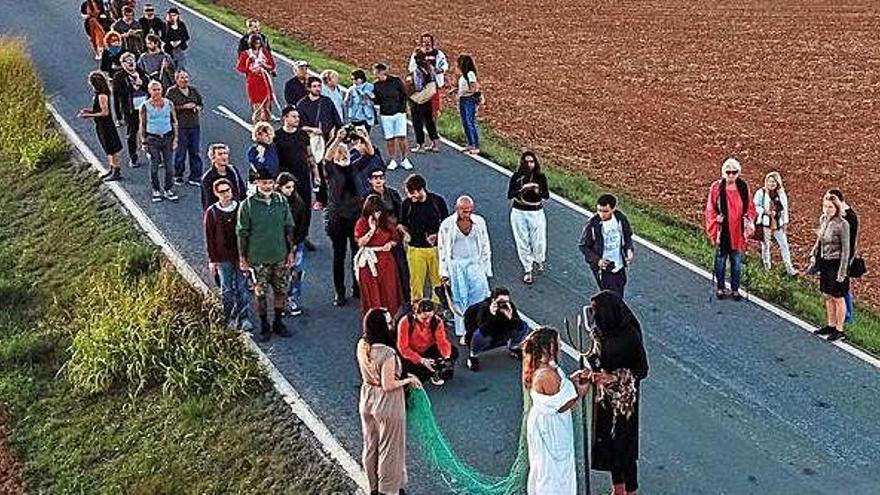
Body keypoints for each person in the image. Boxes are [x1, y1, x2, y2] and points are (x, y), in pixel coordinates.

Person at [586, 290, 650, 495]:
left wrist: (615, 377)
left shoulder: (629, 335)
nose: (595, 318)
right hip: (604, 398)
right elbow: (597, 358)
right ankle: (618, 488)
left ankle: (630, 490)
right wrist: (592, 370)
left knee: (624, 445)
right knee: (607, 442)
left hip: (624, 402)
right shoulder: (601, 331)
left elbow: (642, 370)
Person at [356, 308, 418, 495]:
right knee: (390, 450)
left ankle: (374, 487)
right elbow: (388, 384)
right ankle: (389, 490)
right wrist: (409, 380)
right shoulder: (387, 353)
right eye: (389, 323)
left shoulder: (362, 345)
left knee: (371, 445)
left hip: (367, 398)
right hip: (387, 403)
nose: (392, 325)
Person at [523, 327, 589, 495]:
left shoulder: (542, 366)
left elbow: (561, 387)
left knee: (545, 466)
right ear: (547, 348)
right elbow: (562, 405)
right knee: (554, 470)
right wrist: (581, 392)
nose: (560, 346)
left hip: (544, 423)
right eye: (556, 343)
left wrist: (571, 381)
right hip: (551, 428)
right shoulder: (547, 375)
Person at [237, 166, 295, 341]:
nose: (267, 186)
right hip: (258, 258)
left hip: (280, 255)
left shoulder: (281, 201)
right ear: (256, 183)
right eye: (264, 183)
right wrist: (243, 258)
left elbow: (288, 227)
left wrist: (290, 252)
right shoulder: (247, 205)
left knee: (281, 290)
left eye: (270, 183)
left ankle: (278, 321)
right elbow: (242, 233)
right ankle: (264, 325)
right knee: (260, 293)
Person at [322, 129, 371, 306]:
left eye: (345, 152)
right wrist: (338, 139)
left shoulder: (354, 167)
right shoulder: (331, 170)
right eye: (339, 152)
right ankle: (339, 291)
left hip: (356, 217)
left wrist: (365, 138)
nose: (343, 155)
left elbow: (369, 154)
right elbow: (326, 158)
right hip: (338, 218)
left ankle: (357, 288)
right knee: (339, 255)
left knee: (357, 255)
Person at [437, 195, 492, 342]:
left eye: (469, 211)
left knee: (480, 298)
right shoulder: (447, 225)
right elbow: (442, 249)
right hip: (456, 267)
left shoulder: (479, 222)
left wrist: (486, 268)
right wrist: (444, 272)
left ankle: (478, 328)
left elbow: (485, 244)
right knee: (460, 300)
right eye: (463, 211)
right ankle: (464, 331)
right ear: (457, 209)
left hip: (475, 264)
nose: (466, 214)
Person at [204, 178, 253, 332]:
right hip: (223, 257)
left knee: (242, 287)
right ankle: (229, 317)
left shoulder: (241, 208)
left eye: (228, 190)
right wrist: (212, 260)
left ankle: (244, 317)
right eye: (222, 191)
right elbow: (210, 238)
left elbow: (249, 232)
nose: (226, 194)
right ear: (216, 193)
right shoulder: (212, 213)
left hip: (240, 255)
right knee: (226, 289)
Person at [704, 158, 756, 301]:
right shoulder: (716, 188)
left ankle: (735, 289)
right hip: (723, 230)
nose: (731, 175)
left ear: (738, 173)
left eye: (734, 172)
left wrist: (748, 220)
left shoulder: (743, 187)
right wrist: (715, 220)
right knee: (720, 262)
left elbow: (750, 207)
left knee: (737, 263)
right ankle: (720, 288)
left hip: (738, 231)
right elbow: (710, 209)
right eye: (728, 172)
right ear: (723, 173)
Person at [808, 193, 851, 342]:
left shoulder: (843, 224)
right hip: (825, 262)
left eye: (830, 207)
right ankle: (830, 325)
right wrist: (813, 253)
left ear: (837, 207)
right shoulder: (824, 220)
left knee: (838, 296)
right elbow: (819, 240)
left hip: (836, 263)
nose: (827, 209)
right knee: (828, 295)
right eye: (825, 206)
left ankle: (840, 330)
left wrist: (842, 272)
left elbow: (846, 250)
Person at [275, 106, 319, 249]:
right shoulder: (277, 136)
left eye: (298, 117)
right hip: (286, 180)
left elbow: (310, 156)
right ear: (285, 118)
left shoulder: (303, 135)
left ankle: (302, 237)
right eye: (294, 117)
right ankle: (287, 239)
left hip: (303, 177)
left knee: (305, 208)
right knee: (287, 209)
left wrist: (316, 174)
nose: (297, 119)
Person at [400, 174, 448, 302]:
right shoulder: (407, 204)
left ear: (420, 190)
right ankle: (416, 310)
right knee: (416, 284)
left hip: (436, 249)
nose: (410, 196)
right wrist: (406, 233)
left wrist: (437, 235)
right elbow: (401, 224)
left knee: (438, 283)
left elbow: (447, 225)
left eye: (412, 193)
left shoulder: (437, 202)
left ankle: (437, 310)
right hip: (415, 249)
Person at [367, 169, 410, 307]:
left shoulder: (393, 194)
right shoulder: (367, 198)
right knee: (380, 271)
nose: (378, 180)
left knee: (402, 266)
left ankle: (407, 297)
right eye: (375, 178)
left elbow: (401, 213)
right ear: (370, 180)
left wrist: (401, 230)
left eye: (381, 177)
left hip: (394, 234)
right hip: (377, 237)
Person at [579, 194, 635, 299]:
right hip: (604, 268)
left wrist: (629, 250)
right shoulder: (592, 224)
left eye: (605, 211)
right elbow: (583, 246)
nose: (601, 214)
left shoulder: (620, 218)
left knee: (619, 294)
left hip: (619, 265)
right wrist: (598, 261)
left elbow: (627, 236)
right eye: (599, 210)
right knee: (611, 297)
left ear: (613, 209)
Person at [354, 195, 402, 317]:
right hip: (369, 264)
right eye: (374, 211)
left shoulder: (386, 222)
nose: (376, 214)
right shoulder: (362, 223)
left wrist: (390, 244)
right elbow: (360, 243)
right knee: (372, 294)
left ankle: (391, 320)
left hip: (386, 261)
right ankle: (374, 322)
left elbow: (395, 238)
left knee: (389, 291)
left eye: (379, 211)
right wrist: (371, 230)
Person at [463, 287, 530, 371]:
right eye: (501, 301)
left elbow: (519, 325)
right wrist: (492, 315)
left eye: (506, 301)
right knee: (479, 334)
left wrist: (510, 317)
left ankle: (513, 347)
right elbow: (483, 330)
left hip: (501, 334)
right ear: (493, 300)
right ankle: (473, 356)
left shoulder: (509, 306)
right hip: (485, 336)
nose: (503, 304)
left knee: (524, 325)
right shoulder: (483, 308)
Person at [508, 151, 549, 284]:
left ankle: (539, 259)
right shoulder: (517, 176)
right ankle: (527, 268)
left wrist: (537, 190)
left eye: (531, 162)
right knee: (522, 240)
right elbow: (510, 194)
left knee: (538, 240)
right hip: (519, 211)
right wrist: (522, 189)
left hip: (536, 211)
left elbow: (546, 195)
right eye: (526, 162)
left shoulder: (540, 177)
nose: (529, 165)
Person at [397, 299, 458, 386]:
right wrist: (421, 360)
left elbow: (442, 342)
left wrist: (446, 359)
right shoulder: (405, 322)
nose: (428, 321)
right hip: (410, 353)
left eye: (430, 317)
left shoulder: (437, 321)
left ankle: (434, 372)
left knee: (453, 352)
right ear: (415, 314)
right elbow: (403, 348)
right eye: (424, 318)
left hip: (428, 349)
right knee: (420, 375)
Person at [79, 71, 123, 182]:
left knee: (110, 147)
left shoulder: (102, 95)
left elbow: (104, 112)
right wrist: (88, 110)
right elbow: (99, 110)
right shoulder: (101, 94)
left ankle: (116, 169)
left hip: (105, 124)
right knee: (107, 147)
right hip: (101, 124)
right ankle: (112, 168)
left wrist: (89, 115)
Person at [276, 172, 310, 317]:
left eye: (292, 187)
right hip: (279, 244)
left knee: (296, 272)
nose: (290, 190)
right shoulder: (275, 203)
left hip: (296, 243)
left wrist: (296, 243)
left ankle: (292, 298)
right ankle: (281, 302)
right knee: (281, 274)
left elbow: (302, 225)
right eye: (287, 187)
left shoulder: (298, 202)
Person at [139, 80, 179, 202]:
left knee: (169, 167)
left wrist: (176, 138)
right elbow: (143, 124)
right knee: (154, 166)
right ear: (149, 91)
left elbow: (174, 121)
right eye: (154, 89)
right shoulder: (145, 106)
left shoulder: (169, 104)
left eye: (158, 89)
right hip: (152, 139)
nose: (157, 92)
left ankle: (168, 189)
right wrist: (143, 141)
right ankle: (156, 189)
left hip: (167, 137)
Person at [753, 171, 797, 275]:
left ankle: (789, 268)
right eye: (769, 181)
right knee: (766, 245)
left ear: (778, 183)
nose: (771, 184)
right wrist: (765, 212)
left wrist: (785, 222)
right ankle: (767, 268)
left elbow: (784, 209)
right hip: (765, 223)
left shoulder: (781, 194)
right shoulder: (761, 193)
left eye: (774, 182)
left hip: (778, 223)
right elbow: (755, 206)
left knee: (784, 245)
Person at [165, 70, 203, 186]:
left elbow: (201, 103)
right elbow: (168, 108)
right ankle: (178, 175)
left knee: (195, 151)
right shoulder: (172, 92)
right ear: (176, 80)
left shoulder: (193, 90)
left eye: (186, 77)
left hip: (194, 125)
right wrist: (183, 107)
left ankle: (195, 176)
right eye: (182, 78)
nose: (185, 80)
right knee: (180, 152)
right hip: (180, 126)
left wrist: (197, 107)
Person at [372, 63, 412, 171]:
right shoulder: (375, 85)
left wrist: (402, 110)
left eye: (376, 72)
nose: (375, 74)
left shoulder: (396, 81)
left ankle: (404, 159)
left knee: (402, 137)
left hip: (399, 113)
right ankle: (393, 159)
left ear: (382, 72)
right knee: (390, 138)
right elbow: (376, 101)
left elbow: (403, 95)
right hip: (386, 114)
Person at [111, 51, 149, 167]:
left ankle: (154, 153)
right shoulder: (119, 77)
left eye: (132, 60)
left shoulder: (142, 73)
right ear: (122, 64)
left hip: (145, 108)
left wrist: (141, 83)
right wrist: (118, 116)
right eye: (127, 61)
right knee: (132, 133)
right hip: (130, 110)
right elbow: (117, 97)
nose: (131, 63)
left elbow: (149, 87)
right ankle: (133, 157)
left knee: (150, 131)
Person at [828, 189, 859, 324]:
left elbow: (848, 242)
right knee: (837, 288)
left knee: (842, 288)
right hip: (836, 257)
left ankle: (847, 316)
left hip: (843, 257)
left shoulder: (849, 217)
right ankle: (840, 317)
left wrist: (846, 260)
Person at [236, 34, 277, 124]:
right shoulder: (245, 54)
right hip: (253, 81)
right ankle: (257, 126)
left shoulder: (265, 52)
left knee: (267, 105)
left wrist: (264, 65)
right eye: (255, 43)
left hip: (265, 80)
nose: (257, 45)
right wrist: (249, 69)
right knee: (257, 105)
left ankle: (267, 125)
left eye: (259, 43)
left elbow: (272, 65)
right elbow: (239, 67)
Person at [407, 32, 448, 119]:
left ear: (432, 43)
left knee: (434, 108)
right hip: (421, 86)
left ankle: (434, 125)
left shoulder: (438, 54)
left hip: (434, 85)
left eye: (428, 41)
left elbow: (444, 65)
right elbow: (411, 68)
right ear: (421, 43)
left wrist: (439, 70)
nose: (426, 44)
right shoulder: (416, 54)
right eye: (424, 41)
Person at [408, 51, 440, 153]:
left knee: (417, 122)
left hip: (419, 100)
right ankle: (434, 143)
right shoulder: (430, 69)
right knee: (429, 121)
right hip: (428, 98)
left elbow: (418, 87)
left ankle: (420, 145)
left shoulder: (417, 71)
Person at [296, 76, 342, 143]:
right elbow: (298, 125)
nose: (318, 89)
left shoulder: (327, 101)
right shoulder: (301, 104)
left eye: (319, 86)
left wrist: (335, 133)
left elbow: (337, 120)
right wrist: (312, 129)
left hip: (328, 140)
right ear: (309, 88)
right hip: (309, 140)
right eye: (314, 86)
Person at [200, 143, 246, 210]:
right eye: (220, 154)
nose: (224, 156)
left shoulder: (233, 170)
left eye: (225, 153)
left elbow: (242, 191)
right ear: (213, 157)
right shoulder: (207, 179)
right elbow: (208, 204)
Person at [453, 54, 481, 155]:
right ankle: (470, 143)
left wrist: (467, 93)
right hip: (463, 99)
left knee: (470, 122)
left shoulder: (470, 74)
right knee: (465, 122)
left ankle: (476, 145)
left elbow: (473, 87)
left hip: (469, 99)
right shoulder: (463, 75)